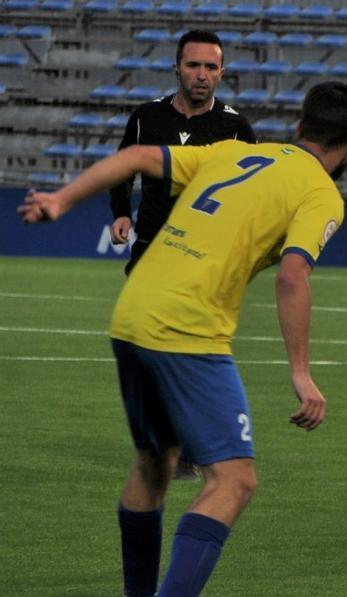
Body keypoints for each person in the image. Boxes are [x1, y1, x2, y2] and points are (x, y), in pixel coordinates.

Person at [19, 81, 347, 597]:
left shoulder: (233, 150)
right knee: (234, 478)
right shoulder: (321, 194)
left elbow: (135, 157)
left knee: (156, 460)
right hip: (186, 327)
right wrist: (301, 372)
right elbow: (292, 274)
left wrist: (62, 200)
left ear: (300, 124)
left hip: (132, 313)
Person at [109, 30, 255, 482]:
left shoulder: (236, 128)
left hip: (203, 257)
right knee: (146, 349)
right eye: (194, 65)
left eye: (211, 67)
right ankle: (163, 439)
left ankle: (186, 447)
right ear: (177, 68)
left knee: (184, 349)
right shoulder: (145, 117)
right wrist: (120, 214)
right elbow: (124, 168)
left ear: (222, 73)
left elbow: (253, 192)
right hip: (151, 248)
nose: (202, 75)